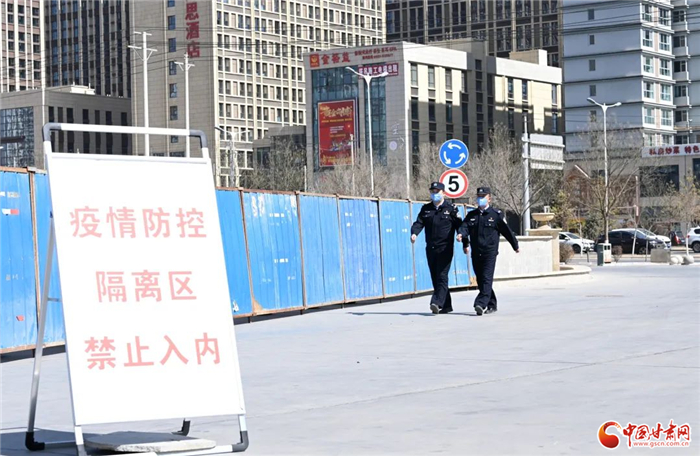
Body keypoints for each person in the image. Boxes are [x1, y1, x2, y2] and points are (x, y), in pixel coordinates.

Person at [459, 187, 519, 316]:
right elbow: (464, 228)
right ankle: (492, 304)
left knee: (486, 278)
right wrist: (461, 236)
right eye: (479, 196)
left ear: (489, 199)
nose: (480, 199)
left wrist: (515, 245)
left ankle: (480, 304)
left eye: (483, 196)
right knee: (481, 279)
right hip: (476, 252)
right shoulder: (472, 215)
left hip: (490, 252)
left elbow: (507, 231)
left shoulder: (496, 215)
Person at [411, 182, 463, 314]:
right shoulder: (426, 209)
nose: (435, 194)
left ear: (443, 193)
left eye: (437, 192)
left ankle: (436, 302)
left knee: (442, 275)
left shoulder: (451, 209)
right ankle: (446, 305)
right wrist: (414, 233)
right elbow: (419, 223)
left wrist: (461, 235)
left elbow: (460, 225)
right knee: (435, 276)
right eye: (432, 192)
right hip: (431, 248)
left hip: (445, 248)